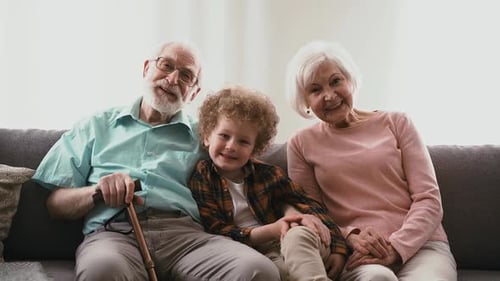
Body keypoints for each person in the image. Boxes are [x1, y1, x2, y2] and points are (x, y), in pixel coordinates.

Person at [32, 41, 282, 281]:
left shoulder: (206, 136)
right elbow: (55, 205)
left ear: (193, 93)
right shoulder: (95, 125)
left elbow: (257, 176)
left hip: (187, 238)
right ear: (145, 68)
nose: (172, 79)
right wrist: (97, 192)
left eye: (186, 75)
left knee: (258, 270)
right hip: (115, 234)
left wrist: (293, 211)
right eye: (165, 65)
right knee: (103, 270)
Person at [284, 40, 457, 281]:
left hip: (421, 246)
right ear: (305, 101)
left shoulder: (398, 123)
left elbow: (428, 198)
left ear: (350, 80)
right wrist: (349, 236)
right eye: (315, 90)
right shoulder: (301, 143)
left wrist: (396, 247)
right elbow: (312, 212)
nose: (329, 96)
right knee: (377, 279)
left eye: (336, 81)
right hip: (359, 252)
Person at [188, 85, 349, 281]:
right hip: (253, 251)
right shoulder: (203, 176)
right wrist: (270, 230)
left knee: (296, 235)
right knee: (276, 273)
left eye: (243, 142)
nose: (231, 146)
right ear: (206, 136)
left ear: (255, 149)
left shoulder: (268, 174)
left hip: (295, 242)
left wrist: (339, 249)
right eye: (224, 136)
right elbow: (216, 229)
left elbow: (310, 206)